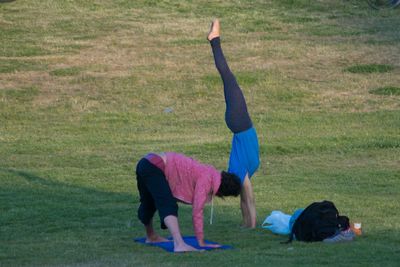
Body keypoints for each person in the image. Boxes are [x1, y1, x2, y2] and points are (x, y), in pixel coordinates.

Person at [207, 19, 260, 228]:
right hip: (240, 124)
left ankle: (215, 40)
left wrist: (249, 224)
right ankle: (214, 40)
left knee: (228, 78)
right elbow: (248, 200)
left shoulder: (238, 172)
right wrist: (251, 225)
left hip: (240, 124)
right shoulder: (239, 174)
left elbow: (247, 199)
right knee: (228, 78)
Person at [135, 152, 241, 252]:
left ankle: (151, 236)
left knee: (149, 202)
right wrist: (201, 241)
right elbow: (197, 211)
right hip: (154, 166)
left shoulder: (210, 173)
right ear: (223, 193)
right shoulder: (207, 180)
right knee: (168, 205)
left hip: (145, 162)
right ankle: (179, 244)